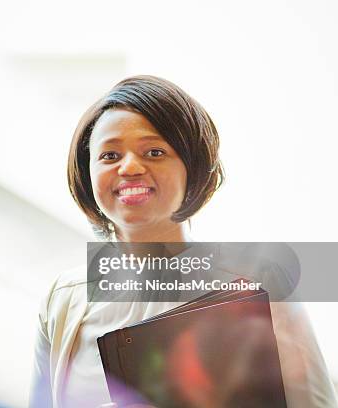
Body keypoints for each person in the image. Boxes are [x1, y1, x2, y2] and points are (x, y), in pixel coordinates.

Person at [29, 75, 337, 407]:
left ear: (191, 168)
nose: (129, 167)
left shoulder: (260, 278)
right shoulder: (63, 299)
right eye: (109, 156)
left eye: (154, 151)